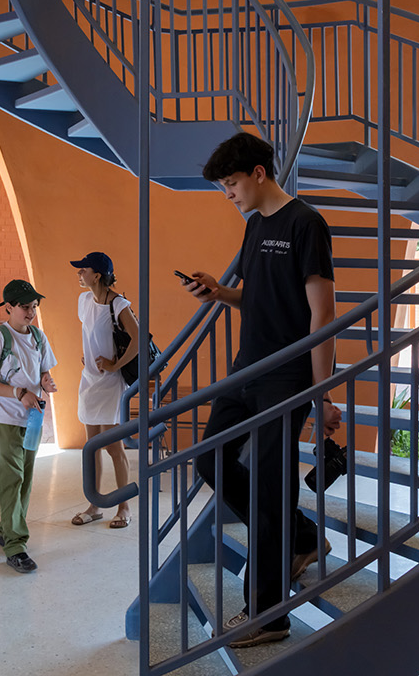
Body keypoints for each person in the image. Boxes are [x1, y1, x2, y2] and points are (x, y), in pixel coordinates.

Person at [183, 132, 340, 649]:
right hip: (246, 368)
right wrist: (220, 291)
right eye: (223, 187)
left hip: (286, 376)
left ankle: (268, 615)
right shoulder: (255, 228)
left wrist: (323, 395)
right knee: (210, 460)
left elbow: (321, 313)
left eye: (232, 184)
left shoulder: (306, 224)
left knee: (271, 488)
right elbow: (257, 297)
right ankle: (299, 536)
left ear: (258, 173)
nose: (229, 194)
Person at [0, 279, 59, 573]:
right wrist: (19, 393)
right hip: (5, 419)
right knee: (11, 477)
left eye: (35, 306)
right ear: (9, 307)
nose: (31, 311)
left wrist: (45, 382)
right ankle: (15, 545)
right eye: (25, 306)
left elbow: (42, 371)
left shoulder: (38, 336)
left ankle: (7, 528)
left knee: (24, 477)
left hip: (33, 417)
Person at [69, 251, 137, 530]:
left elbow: (138, 337)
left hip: (110, 384)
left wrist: (115, 365)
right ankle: (94, 505)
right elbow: (90, 335)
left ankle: (124, 507)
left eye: (82, 270)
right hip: (89, 382)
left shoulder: (118, 304)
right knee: (91, 448)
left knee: (113, 447)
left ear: (97, 275)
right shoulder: (84, 300)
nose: (79, 275)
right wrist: (89, 357)